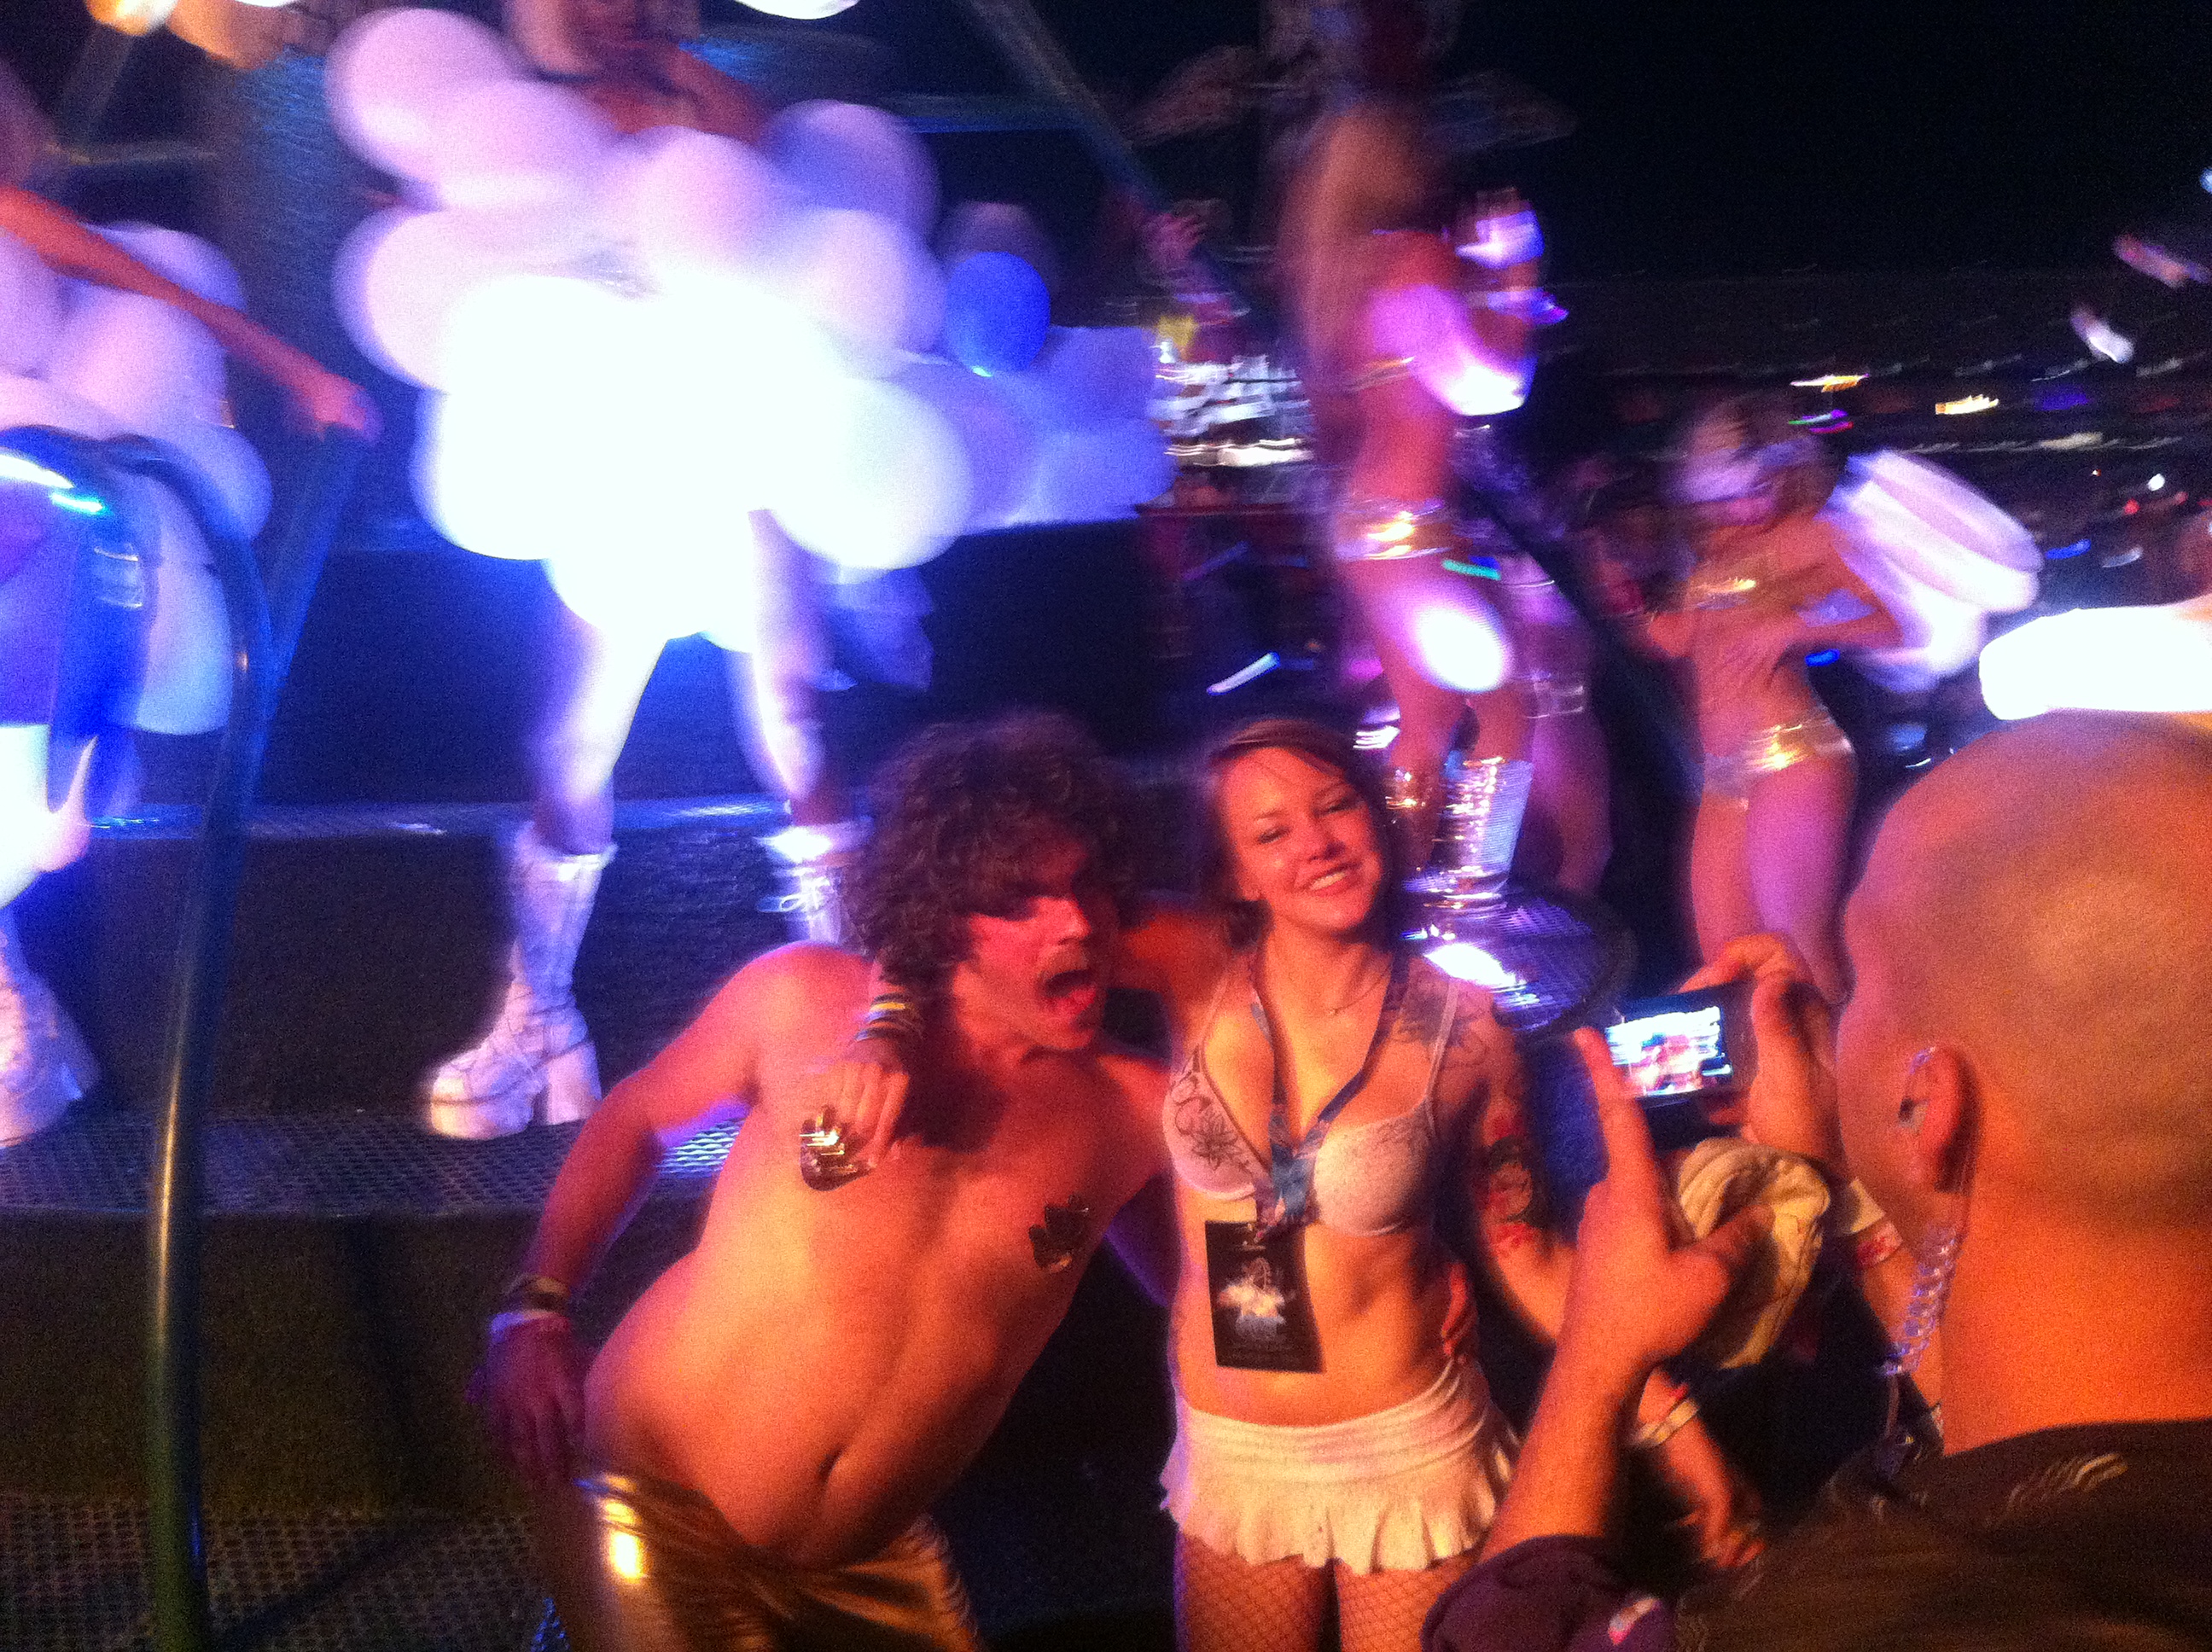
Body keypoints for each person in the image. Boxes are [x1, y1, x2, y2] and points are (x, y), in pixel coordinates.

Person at [832, 718, 1755, 1652]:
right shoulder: (1193, 962)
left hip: (1405, 1456)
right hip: (1235, 1461)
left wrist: (1677, 1429)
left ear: (1376, 821)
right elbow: (960, 921)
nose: (1315, 843)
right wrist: (885, 1031)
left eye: (1336, 806)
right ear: (1234, 873)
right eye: (1271, 832)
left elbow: (1531, 1257)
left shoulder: (1466, 1028)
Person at [1426, 712, 2212, 1651]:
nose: (1832, 1010)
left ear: (1934, 1104)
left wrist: (1597, 1356)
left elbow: (1504, 1628)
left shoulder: (1861, 1621)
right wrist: (1851, 1175)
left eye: (1859, 978)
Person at [474, 713, 1168, 1650]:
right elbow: (636, 1118)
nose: (1076, 921)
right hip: (654, 1501)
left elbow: (1206, 1302)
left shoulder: (1135, 1109)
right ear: (945, 915)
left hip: (876, 1563)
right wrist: (536, 1309)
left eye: (1086, 884)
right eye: (1024, 902)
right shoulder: (803, 996)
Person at [419, 0, 863, 1140]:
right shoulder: (534, 121)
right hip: (609, 454)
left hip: (742, 441)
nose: (613, 8)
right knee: (568, 746)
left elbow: (769, 186)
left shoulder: (710, 104)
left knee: (796, 730)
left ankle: (860, 1016)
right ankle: (540, 1019)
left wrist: (669, 66)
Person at [1, 62, 377, 1144]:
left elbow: (161, 293)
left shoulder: (11, 220)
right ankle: (17, 988)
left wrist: (300, 374)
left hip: (42, 513)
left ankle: (63, 802)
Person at [1275, 100, 1541, 873]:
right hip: (1414, 526)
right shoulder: (1420, 255)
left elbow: (1339, 415)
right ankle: (1473, 894)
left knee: (1424, 728)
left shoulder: (1336, 281)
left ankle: (1396, 893)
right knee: (1508, 714)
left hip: (1367, 523)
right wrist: (1517, 277)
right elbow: (1489, 385)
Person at [1639, 397, 1902, 1002]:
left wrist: (1796, 629)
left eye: (1763, 487)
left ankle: (1846, 1062)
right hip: (1722, 773)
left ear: (1787, 474)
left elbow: (1893, 626)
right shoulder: (1711, 554)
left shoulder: (1811, 536)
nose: (1751, 507)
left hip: (1793, 754)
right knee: (1727, 960)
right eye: (1733, 495)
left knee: (1799, 950)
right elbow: (1676, 640)